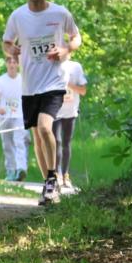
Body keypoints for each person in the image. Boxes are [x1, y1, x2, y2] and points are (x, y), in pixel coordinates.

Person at [2, 0, 81, 205]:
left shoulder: (59, 13)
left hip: (54, 82)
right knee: (37, 137)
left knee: (46, 128)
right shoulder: (18, 16)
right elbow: (7, 41)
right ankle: (48, 183)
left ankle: (51, 178)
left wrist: (66, 50)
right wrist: (11, 50)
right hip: (30, 86)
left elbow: (76, 37)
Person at [55, 59, 88, 190]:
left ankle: (65, 175)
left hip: (71, 111)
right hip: (55, 111)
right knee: (56, 141)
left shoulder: (76, 66)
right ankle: (56, 175)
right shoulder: (52, 64)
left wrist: (68, 85)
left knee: (66, 143)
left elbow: (83, 90)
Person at [0, 55, 28, 181]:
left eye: (14, 62)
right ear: (6, 64)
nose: (12, 64)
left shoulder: (23, 79)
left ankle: (21, 169)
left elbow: (28, 96)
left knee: (20, 142)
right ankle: (10, 171)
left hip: (19, 116)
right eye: (10, 62)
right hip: (5, 116)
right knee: (7, 144)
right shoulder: (0, 80)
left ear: (18, 64)